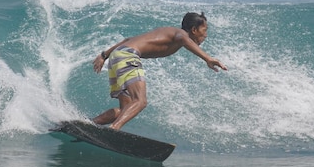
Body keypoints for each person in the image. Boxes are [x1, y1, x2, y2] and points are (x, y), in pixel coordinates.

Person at [92, 12, 227, 130]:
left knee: (125, 109)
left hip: (118, 55)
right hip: (128, 56)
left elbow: (128, 40)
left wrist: (105, 55)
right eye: (205, 30)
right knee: (140, 101)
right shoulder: (180, 34)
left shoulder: (170, 33)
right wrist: (208, 58)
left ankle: (91, 124)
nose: (206, 35)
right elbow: (184, 40)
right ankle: (114, 128)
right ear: (194, 29)